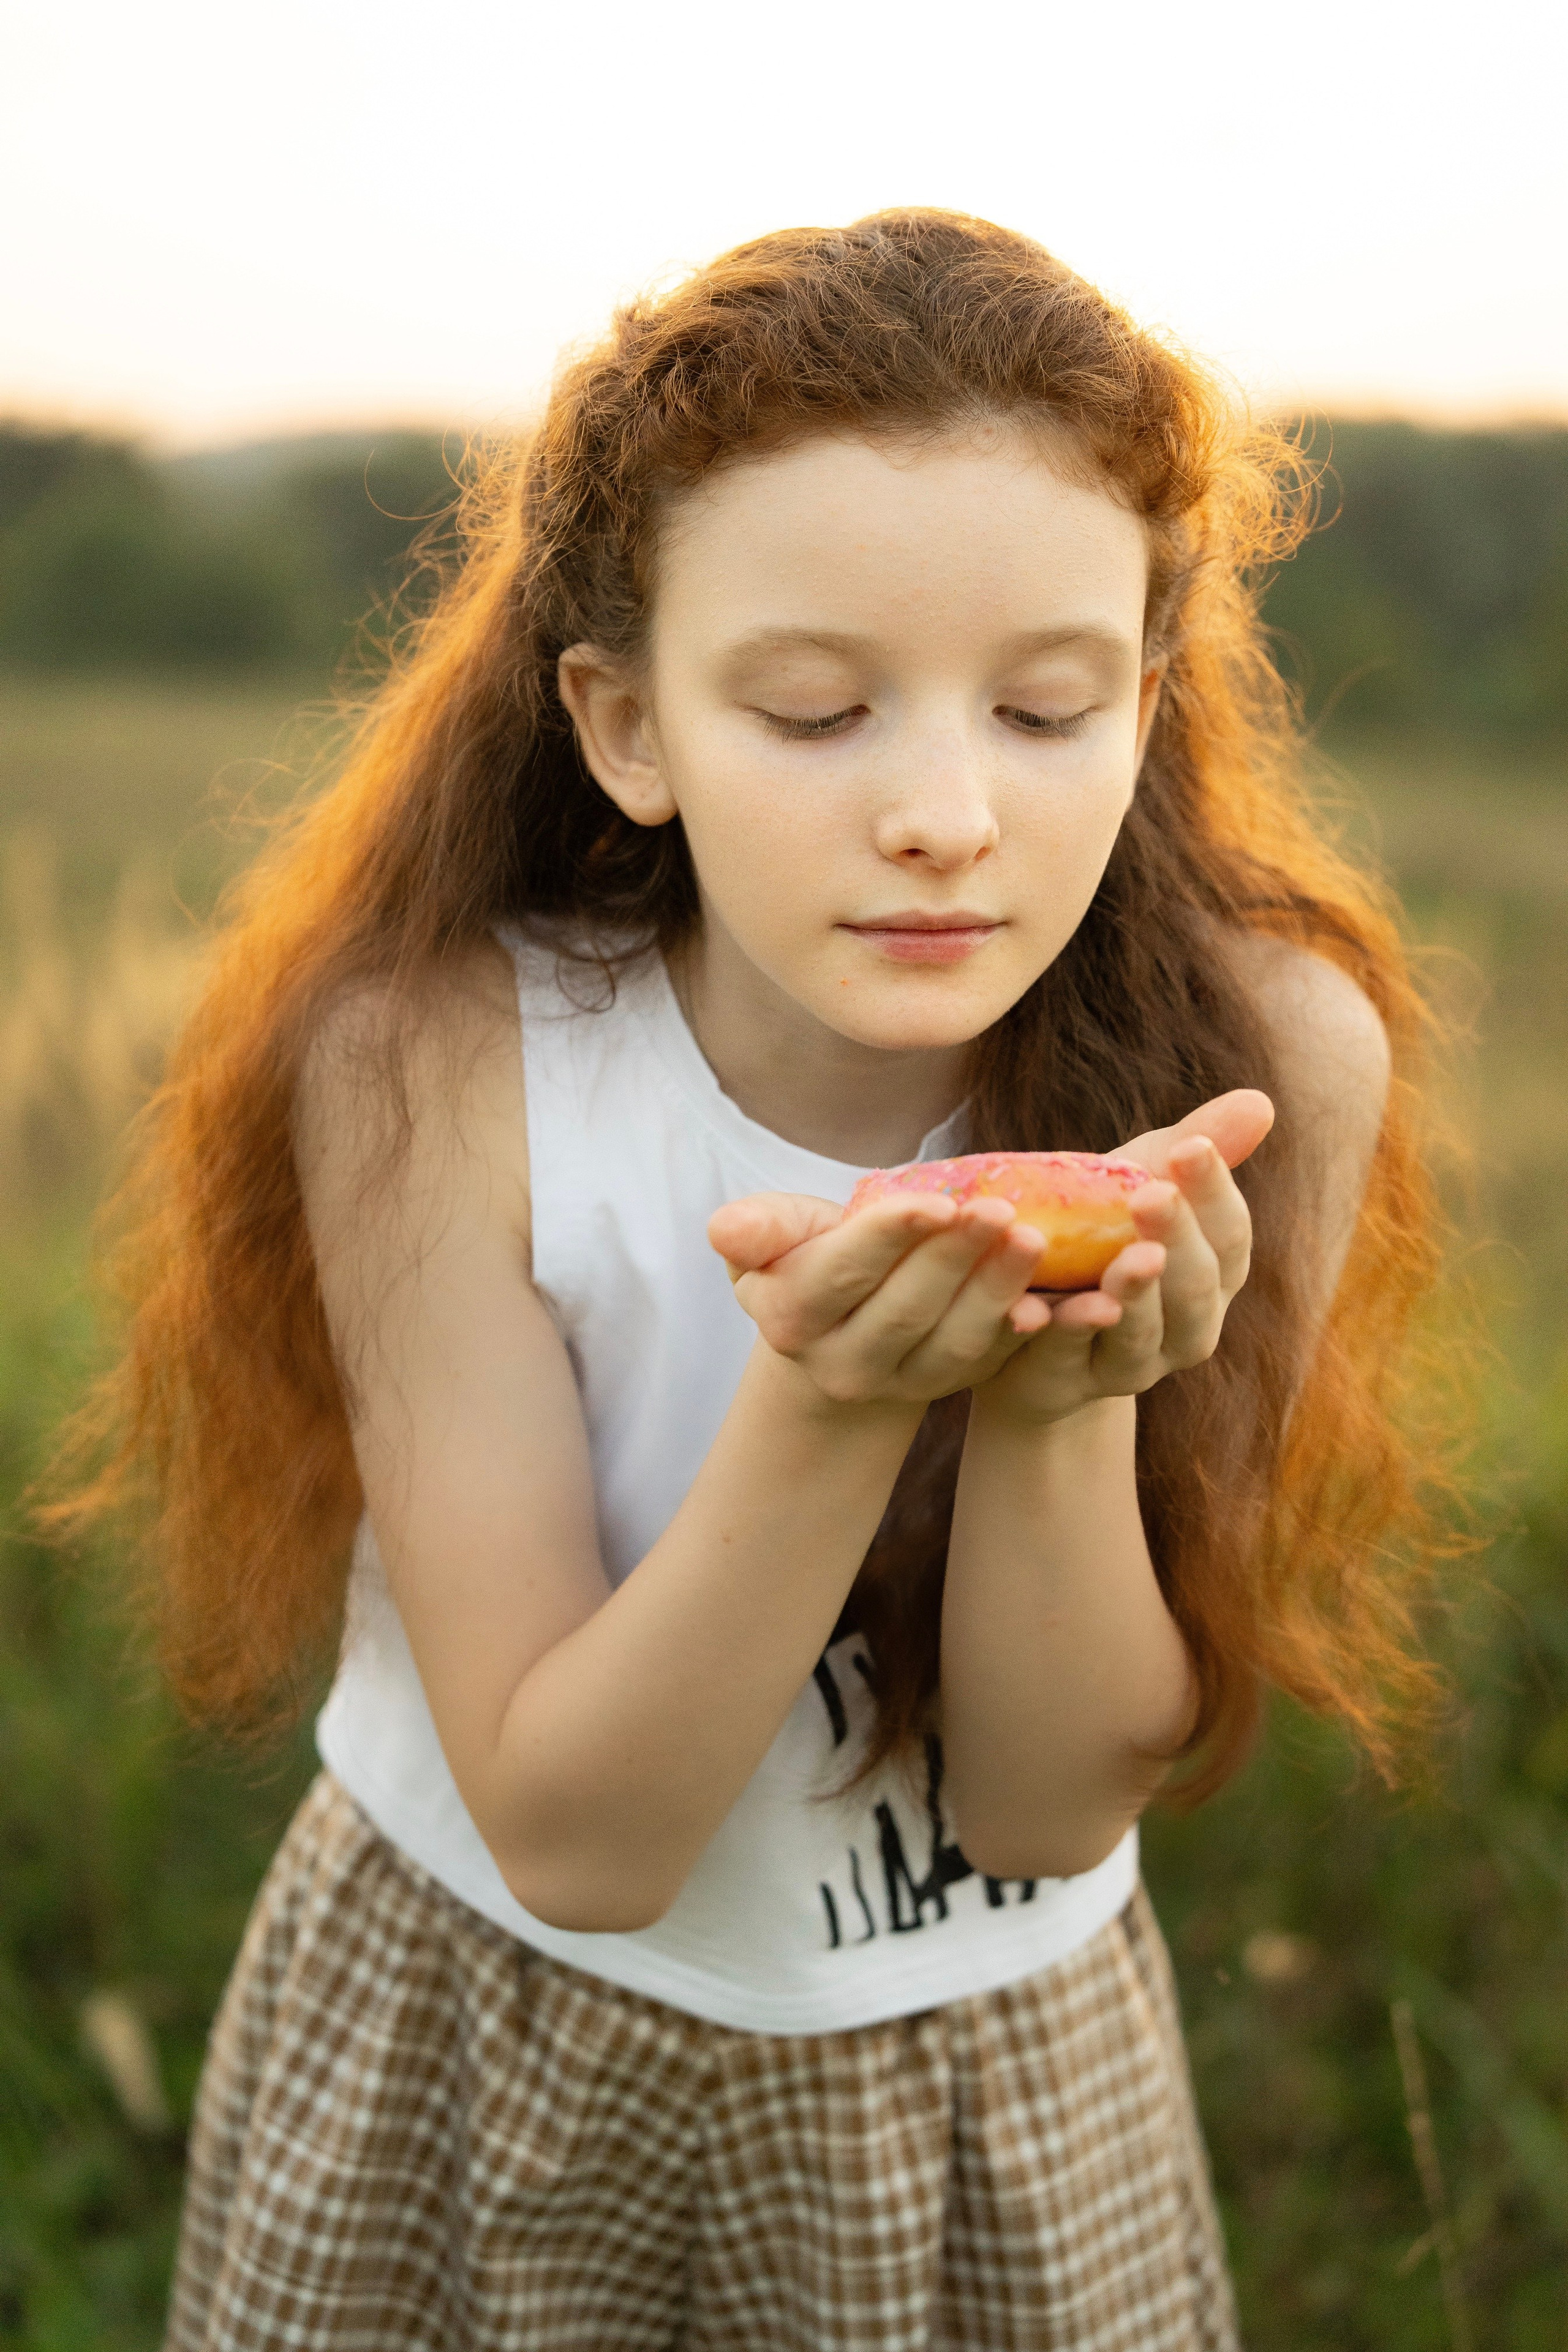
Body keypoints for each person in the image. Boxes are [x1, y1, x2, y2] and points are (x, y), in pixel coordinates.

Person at [69, 211, 1446, 2349]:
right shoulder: (439, 1068)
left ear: (1149, 704)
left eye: (1048, 705)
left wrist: (1062, 1406)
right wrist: (830, 1404)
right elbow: (578, 1841)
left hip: (985, 2067)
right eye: (813, 710)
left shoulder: (1271, 1068)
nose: (943, 813)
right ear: (628, 727)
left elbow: (1041, 1801)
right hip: (485, 2043)